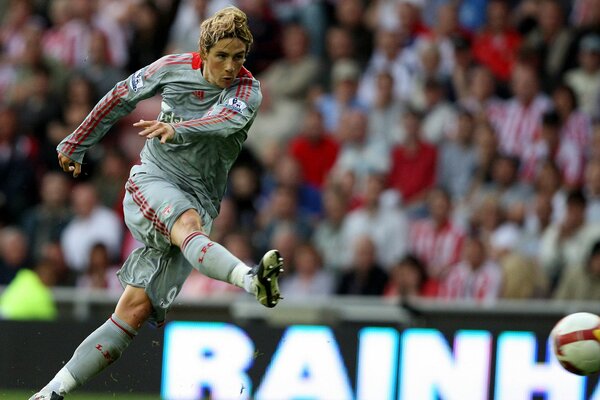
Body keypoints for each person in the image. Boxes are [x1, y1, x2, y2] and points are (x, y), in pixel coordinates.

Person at [30, 7, 284, 400]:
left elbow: (219, 121)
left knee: (132, 312)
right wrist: (77, 141)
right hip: (154, 181)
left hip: (201, 199)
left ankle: (50, 393)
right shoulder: (171, 68)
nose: (231, 66)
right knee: (187, 226)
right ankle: (252, 280)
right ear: (203, 51)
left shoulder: (248, 92)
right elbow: (121, 95)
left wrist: (176, 127)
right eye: (222, 56)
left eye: (239, 57)